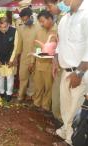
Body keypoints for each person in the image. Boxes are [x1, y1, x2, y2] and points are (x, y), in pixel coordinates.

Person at [52, 0, 88, 145]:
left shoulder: (86, 15)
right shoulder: (65, 18)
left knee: (75, 109)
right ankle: (65, 131)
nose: (61, 3)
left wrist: (79, 73)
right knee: (66, 106)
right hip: (66, 71)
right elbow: (61, 43)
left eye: (63, 0)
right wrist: (55, 59)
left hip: (80, 72)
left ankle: (71, 140)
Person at [33, 10, 57, 111]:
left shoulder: (57, 31)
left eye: (43, 21)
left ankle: (46, 105)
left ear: (50, 19)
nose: (41, 24)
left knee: (48, 87)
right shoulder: (39, 31)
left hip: (50, 65)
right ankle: (36, 103)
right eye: (40, 22)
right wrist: (33, 61)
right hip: (39, 63)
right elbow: (35, 47)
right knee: (38, 85)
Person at [44, 0, 64, 122]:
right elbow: (60, 44)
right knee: (57, 95)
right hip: (60, 64)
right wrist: (55, 60)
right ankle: (58, 122)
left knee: (64, 99)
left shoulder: (78, 16)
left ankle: (63, 126)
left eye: (49, 6)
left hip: (72, 68)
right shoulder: (62, 19)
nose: (48, 9)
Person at [14, 7, 38, 102]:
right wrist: (16, 56)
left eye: (26, 19)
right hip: (24, 56)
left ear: (31, 16)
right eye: (23, 20)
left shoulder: (39, 26)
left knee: (33, 78)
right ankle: (21, 95)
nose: (24, 21)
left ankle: (30, 95)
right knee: (22, 76)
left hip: (36, 56)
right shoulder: (21, 28)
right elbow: (19, 43)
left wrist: (33, 60)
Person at [0, 17, 16, 102]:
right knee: (0, 76)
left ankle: (9, 93)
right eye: (1, 27)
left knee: (10, 77)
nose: (3, 29)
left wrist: (12, 59)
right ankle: (1, 92)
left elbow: (16, 46)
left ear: (8, 25)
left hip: (10, 58)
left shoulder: (14, 31)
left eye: (5, 27)